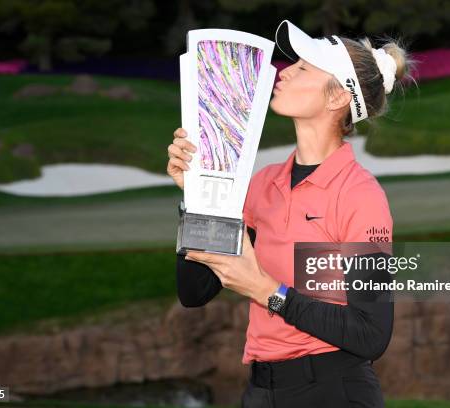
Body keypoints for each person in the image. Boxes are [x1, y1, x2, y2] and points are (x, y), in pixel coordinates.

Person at [166, 19, 415, 408]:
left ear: (337, 98)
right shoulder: (262, 184)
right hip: (263, 391)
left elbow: (371, 334)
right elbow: (195, 291)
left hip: (334, 391)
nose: (284, 72)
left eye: (303, 68)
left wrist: (268, 292)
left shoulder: (360, 196)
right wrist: (197, 197)